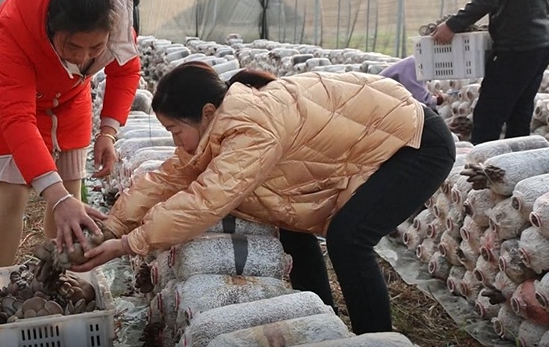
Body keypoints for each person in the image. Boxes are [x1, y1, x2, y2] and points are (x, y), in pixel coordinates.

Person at [73, 62, 455, 335]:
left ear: (207, 113)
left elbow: (204, 201)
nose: (176, 142)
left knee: (349, 239)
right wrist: (112, 226)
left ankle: (375, 337)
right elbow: (170, 178)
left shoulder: (251, 127)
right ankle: (323, 323)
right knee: (290, 223)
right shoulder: (223, 122)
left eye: (175, 131)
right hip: (380, 134)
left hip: (415, 142)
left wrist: (129, 244)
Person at [0, 0, 141, 268]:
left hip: (69, 91)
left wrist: (108, 132)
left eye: (95, 48)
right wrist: (56, 197)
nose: (83, 56)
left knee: (71, 180)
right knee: (13, 188)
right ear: (49, 29)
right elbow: (17, 118)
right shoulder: (16, 30)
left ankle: (58, 271)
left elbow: (127, 70)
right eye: (73, 46)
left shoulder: (113, 18)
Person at [433, 0, 549, 144]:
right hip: (540, 46)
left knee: (488, 114)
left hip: (516, 48)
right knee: (520, 112)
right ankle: (514, 168)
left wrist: (452, 25)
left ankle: (478, 175)